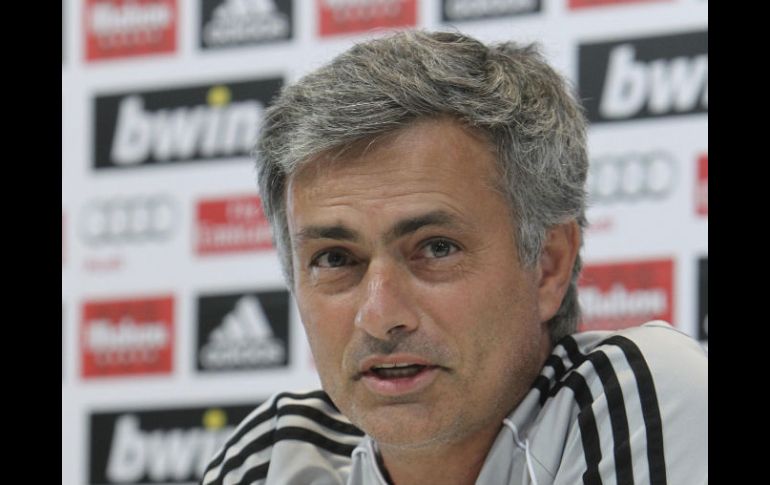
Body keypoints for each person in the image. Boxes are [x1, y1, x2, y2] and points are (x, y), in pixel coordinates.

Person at [201, 30, 707, 485]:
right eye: (335, 259)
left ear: (548, 265)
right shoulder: (276, 458)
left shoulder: (637, 401)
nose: (379, 316)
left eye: (436, 248)